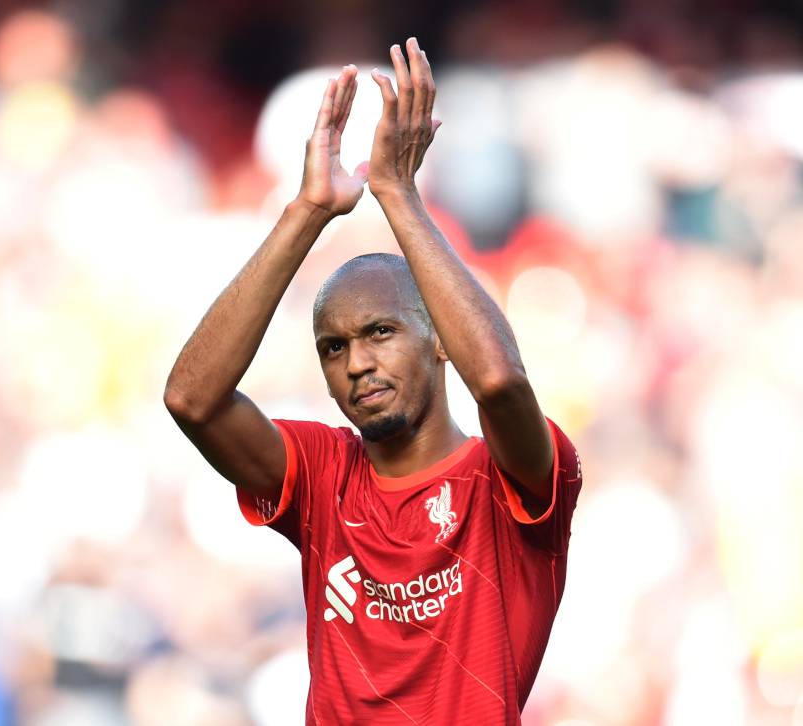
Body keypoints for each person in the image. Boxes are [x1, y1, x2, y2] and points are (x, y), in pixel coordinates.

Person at [164, 37, 582, 726]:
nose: (357, 363)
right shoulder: (325, 477)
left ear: (441, 342)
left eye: (381, 333)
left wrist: (397, 194)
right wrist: (306, 212)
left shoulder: (514, 482)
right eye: (334, 347)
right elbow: (192, 400)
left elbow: (502, 383)